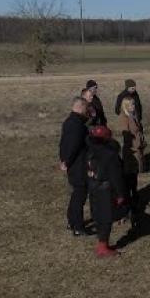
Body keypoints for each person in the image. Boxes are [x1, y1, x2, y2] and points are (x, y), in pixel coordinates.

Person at [85, 125, 128, 258]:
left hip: (93, 187)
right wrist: (121, 193)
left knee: (98, 216)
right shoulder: (110, 154)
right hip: (106, 189)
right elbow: (116, 176)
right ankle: (103, 246)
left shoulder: (90, 152)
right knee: (106, 218)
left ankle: (101, 243)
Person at [59, 97, 90, 236]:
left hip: (72, 165)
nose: (87, 111)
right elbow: (75, 146)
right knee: (80, 196)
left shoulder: (68, 122)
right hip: (78, 165)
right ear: (81, 107)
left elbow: (62, 144)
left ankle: (71, 221)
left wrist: (64, 160)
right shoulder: (78, 125)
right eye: (86, 108)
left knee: (76, 194)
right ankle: (77, 226)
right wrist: (68, 161)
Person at [119, 97, 146, 223]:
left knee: (134, 178)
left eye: (134, 104)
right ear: (125, 106)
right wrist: (135, 145)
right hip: (131, 152)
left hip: (138, 150)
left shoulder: (134, 115)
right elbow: (126, 136)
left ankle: (135, 201)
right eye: (131, 104)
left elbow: (139, 130)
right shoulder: (124, 118)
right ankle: (128, 206)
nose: (134, 106)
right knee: (129, 179)